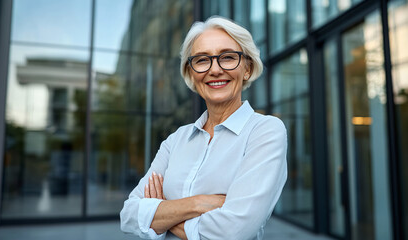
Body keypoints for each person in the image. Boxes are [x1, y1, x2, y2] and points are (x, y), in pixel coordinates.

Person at [120, 16, 287, 240]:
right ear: (191, 73)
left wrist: (161, 214)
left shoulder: (265, 132)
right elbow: (129, 216)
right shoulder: (176, 140)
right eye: (201, 60)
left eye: (227, 57)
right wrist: (199, 203)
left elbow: (231, 232)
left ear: (247, 68)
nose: (215, 69)